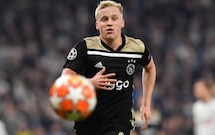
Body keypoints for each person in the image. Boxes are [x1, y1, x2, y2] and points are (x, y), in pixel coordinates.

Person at [61, 0, 156, 135]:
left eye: (114, 18)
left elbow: (150, 68)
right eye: (104, 19)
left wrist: (146, 103)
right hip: (88, 123)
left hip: (119, 124)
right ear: (97, 25)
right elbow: (65, 80)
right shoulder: (85, 47)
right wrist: (90, 83)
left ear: (122, 22)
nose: (109, 23)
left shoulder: (137, 48)